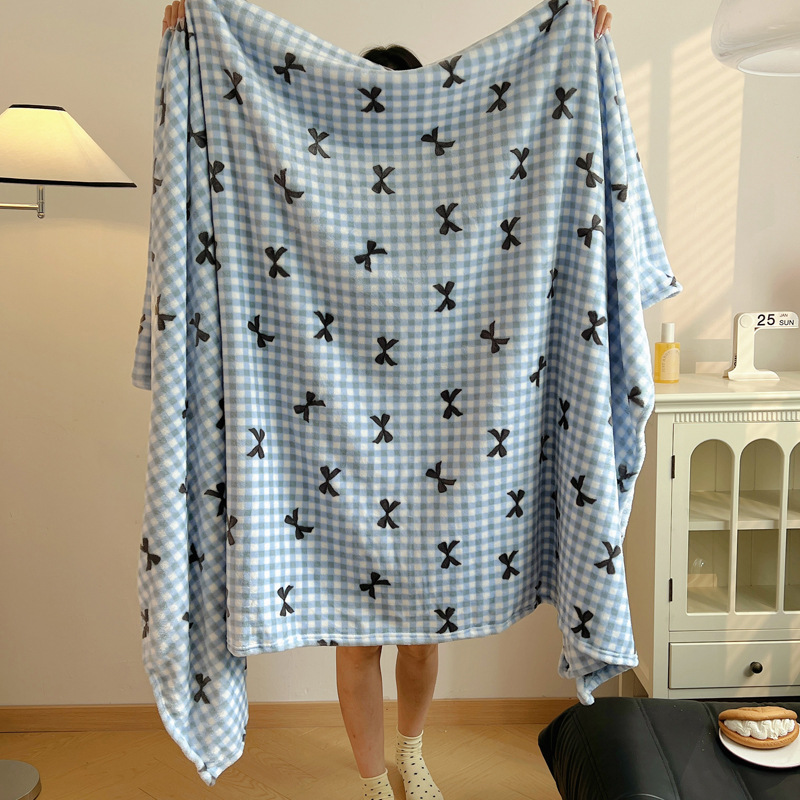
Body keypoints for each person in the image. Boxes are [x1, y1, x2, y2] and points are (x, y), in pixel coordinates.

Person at [159, 2, 612, 797]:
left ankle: (411, 751)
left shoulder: (459, 183)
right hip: (334, 436)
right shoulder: (319, 188)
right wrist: (197, 36)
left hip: (445, 445)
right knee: (358, 637)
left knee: (424, 634)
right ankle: (374, 779)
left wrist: (578, 36)